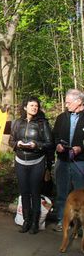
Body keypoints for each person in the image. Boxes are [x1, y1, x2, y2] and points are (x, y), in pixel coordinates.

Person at [9, 96, 53, 234]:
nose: (34, 108)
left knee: (35, 192)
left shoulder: (42, 123)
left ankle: (35, 223)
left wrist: (36, 145)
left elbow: (49, 143)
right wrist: (17, 144)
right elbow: (11, 140)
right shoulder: (17, 123)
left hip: (37, 162)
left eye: (36, 106)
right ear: (25, 107)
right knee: (24, 192)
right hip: (20, 162)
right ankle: (26, 221)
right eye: (31, 105)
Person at [52, 89, 84, 232]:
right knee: (62, 192)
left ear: (79, 102)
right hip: (63, 161)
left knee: (80, 194)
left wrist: (81, 148)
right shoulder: (61, 117)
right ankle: (61, 220)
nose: (66, 105)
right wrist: (58, 144)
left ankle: (80, 225)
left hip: (80, 162)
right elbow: (55, 136)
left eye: (68, 102)